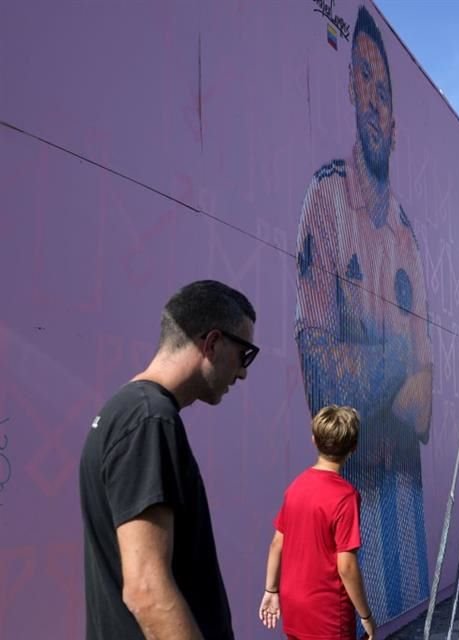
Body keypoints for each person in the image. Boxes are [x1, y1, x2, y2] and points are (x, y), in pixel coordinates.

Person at [295, 5, 431, 618]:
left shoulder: (408, 236)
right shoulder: (325, 200)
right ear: (351, 89)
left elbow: (424, 409)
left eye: (385, 92)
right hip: (349, 498)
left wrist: (369, 367)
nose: (375, 102)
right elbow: (320, 378)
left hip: (406, 503)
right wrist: (399, 356)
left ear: (397, 123)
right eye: (366, 83)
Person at [79, 280, 258, 639]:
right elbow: (146, 589)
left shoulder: (127, 412)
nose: (242, 373)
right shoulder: (149, 420)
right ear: (212, 343)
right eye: (245, 355)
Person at [259, 406, 375, 640]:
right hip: (329, 613)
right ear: (354, 447)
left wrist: (271, 590)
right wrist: (366, 616)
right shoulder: (345, 496)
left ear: (314, 440)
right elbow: (346, 566)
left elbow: (276, 544)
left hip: (294, 607)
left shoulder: (296, 487)